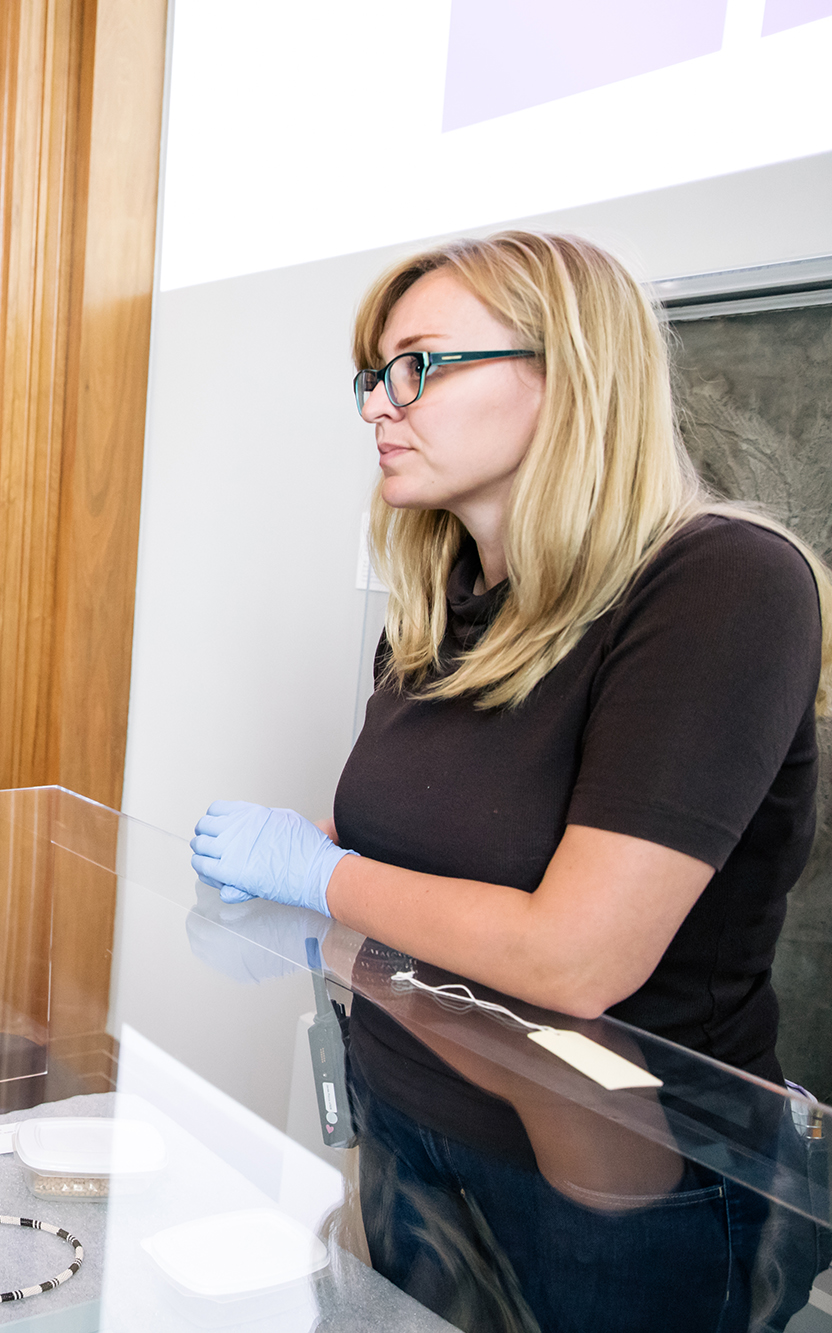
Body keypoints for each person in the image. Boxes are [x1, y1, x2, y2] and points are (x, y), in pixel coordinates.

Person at [189, 231, 824, 1332]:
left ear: (566, 372)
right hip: (409, 1114)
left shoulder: (721, 582)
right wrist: (323, 859)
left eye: (417, 367)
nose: (376, 407)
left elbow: (574, 955)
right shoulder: (438, 602)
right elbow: (401, 843)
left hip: (618, 1182)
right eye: (370, 377)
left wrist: (319, 872)